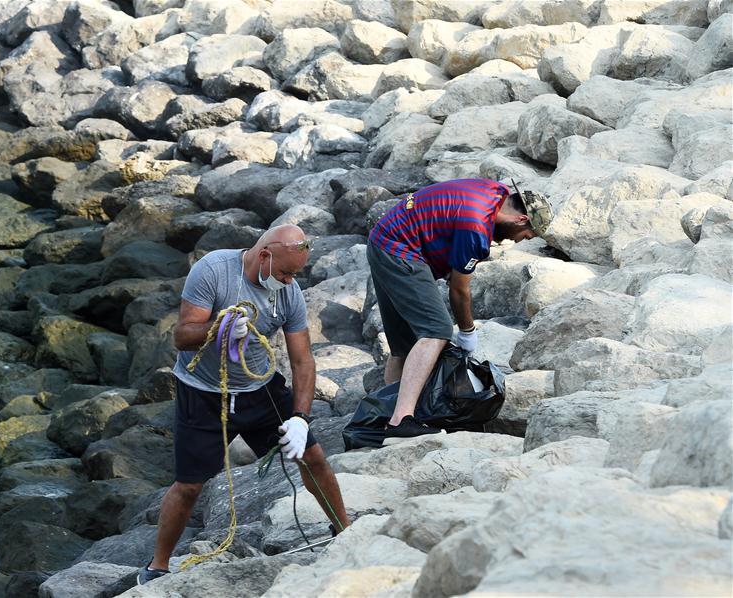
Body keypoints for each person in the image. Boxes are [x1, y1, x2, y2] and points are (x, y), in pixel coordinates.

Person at [138, 224, 350, 585]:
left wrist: (300, 417)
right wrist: (218, 330)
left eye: (295, 274)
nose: (289, 280)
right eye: (285, 272)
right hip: (203, 392)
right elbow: (181, 336)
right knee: (189, 486)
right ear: (265, 255)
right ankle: (157, 566)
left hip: (259, 390)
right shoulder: (214, 270)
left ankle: (345, 531)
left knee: (312, 457)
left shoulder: (289, 293)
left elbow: (302, 361)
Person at [366, 178, 552, 439]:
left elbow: (453, 262)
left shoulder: (494, 192)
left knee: (404, 345)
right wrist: (467, 331)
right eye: (526, 235)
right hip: (401, 250)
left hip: (383, 239)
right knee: (437, 330)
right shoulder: (476, 227)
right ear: (521, 219)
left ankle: (388, 413)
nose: (519, 241)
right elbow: (459, 289)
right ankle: (401, 420)